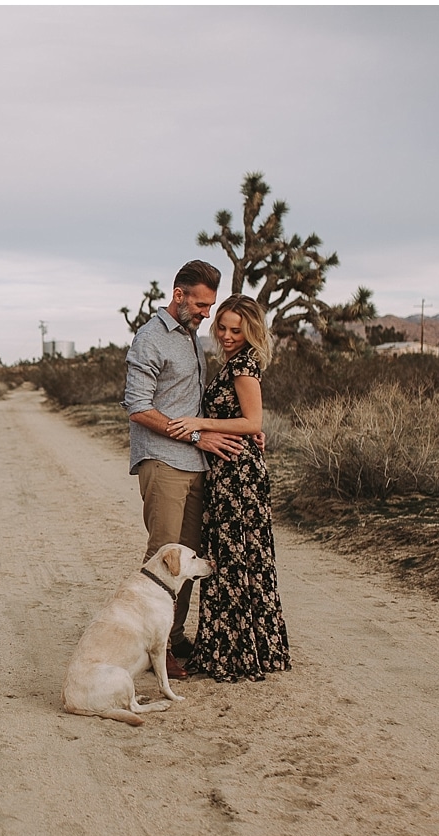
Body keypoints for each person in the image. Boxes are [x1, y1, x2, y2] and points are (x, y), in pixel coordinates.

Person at [122, 260, 248, 678]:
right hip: (163, 462)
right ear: (178, 295)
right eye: (200, 304)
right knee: (162, 558)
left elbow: (194, 405)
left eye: (209, 306)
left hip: (195, 465)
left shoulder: (192, 339)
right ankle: (148, 645)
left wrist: (244, 429)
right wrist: (196, 438)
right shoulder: (150, 339)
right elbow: (139, 407)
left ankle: (172, 638)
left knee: (188, 561)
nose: (205, 314)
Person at [163, 295, 291, 681]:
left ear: (252, 331)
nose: (227, 335)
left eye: (237, 329)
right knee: (234, 559)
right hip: (227, 473)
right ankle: (242, 646)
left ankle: (236, 652)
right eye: (222, 327)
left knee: (235, 561)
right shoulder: (232, 363)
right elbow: (243, 421)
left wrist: (197, 423)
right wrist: (212, 427)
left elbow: (252, 421)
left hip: (239, 477)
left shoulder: (245, 365)